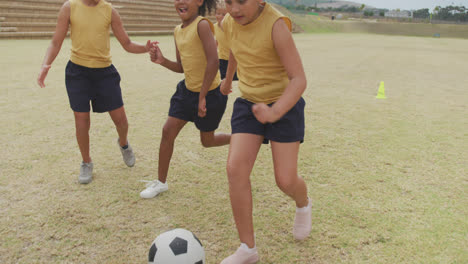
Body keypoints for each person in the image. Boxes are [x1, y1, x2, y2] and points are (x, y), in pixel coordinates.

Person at [219, 0, 311, 263]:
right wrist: (228, 80)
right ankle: (248, 249)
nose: (234, 9)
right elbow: (237, 49)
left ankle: (303, 203)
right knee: (235, 170)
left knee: (285, 180)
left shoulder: (276, 26)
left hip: (284, 103)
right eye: (228, 2)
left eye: (241, 2)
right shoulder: (229, 22)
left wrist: (275, 112)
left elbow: (299, 79)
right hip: (248, 103)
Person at [37, 0, 154, 184]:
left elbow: (127, 43)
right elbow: (55, 41)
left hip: (104, 73)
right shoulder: (69, 7)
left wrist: (146, 48)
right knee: (82, 120)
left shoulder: (110, 11)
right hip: (77, 72)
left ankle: (123, 144)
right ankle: (86, 162)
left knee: (120, 120)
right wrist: (46, 64)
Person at [140, 0, 230, 199]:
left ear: (199, 2)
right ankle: (161, 183)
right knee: (167, 131)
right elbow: (181, 67)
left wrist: (203, 96)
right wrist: (162, 61)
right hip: (187, 92)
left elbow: (214, 61)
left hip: (211, 94)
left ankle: (239, 139)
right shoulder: (177, 31)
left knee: (207, 141)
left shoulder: (202, 24)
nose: (180, 1)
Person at [214, 1, 238, 80]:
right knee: (223, 81)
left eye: (224, 14)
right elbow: (216, 42)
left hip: (235, 60)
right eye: (218, 13)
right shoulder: (214, 27)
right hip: (222, 60)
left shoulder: (231, 27)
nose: (220, 16)